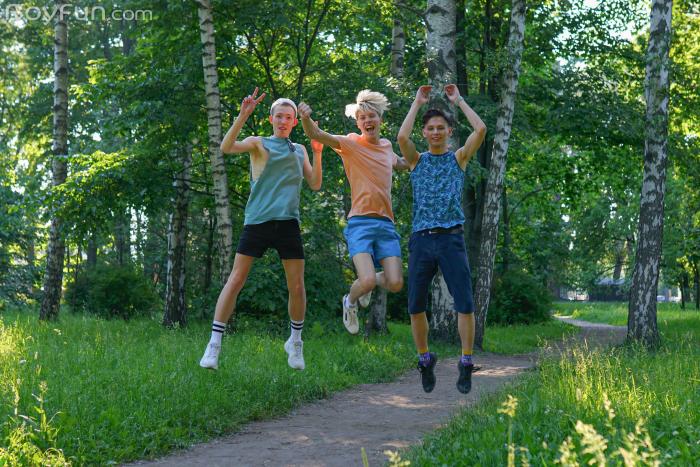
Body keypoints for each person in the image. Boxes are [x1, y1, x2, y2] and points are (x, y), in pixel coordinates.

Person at [199, 88, 323, 371]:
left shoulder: (299, 150)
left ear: (294, 122)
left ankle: (295, 341)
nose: (283, 121)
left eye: (288, 117)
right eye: (279, 116)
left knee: (297, 286)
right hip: (257, 222)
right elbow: (226, 147)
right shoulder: (259, 143)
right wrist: (243, 115)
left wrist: (318, 152)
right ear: (271, 119)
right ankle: (214, 344)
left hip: (288, 223)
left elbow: (315, 183)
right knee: (236, 279)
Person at [397, 84, 486, 394]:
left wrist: (458, 101)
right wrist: (417, 103)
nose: (436, 132)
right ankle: (425, 359)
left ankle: (466, 361)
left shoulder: (458, 159)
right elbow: (402, 138)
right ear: (425, 133)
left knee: (465, 303)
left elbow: (481, 129)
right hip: (422, 240)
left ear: (449, 132)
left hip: (451, 239)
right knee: (415, 305)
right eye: (431, 128)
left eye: (441, 128)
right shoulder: (416, 160)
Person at [297, 90, 409, 335]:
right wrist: (305, 117)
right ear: (358, 123)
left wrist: (423, 158)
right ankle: (350, 301)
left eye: (372, 116)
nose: (368, 121)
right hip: (360, 223)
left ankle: (366, 285)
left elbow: (401, 163)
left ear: (380, 120)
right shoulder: (350, 143)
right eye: (362, 118)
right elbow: (317, 134)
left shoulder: (387, 147)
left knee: (395, 283)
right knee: (366, 280)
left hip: (386, 224)